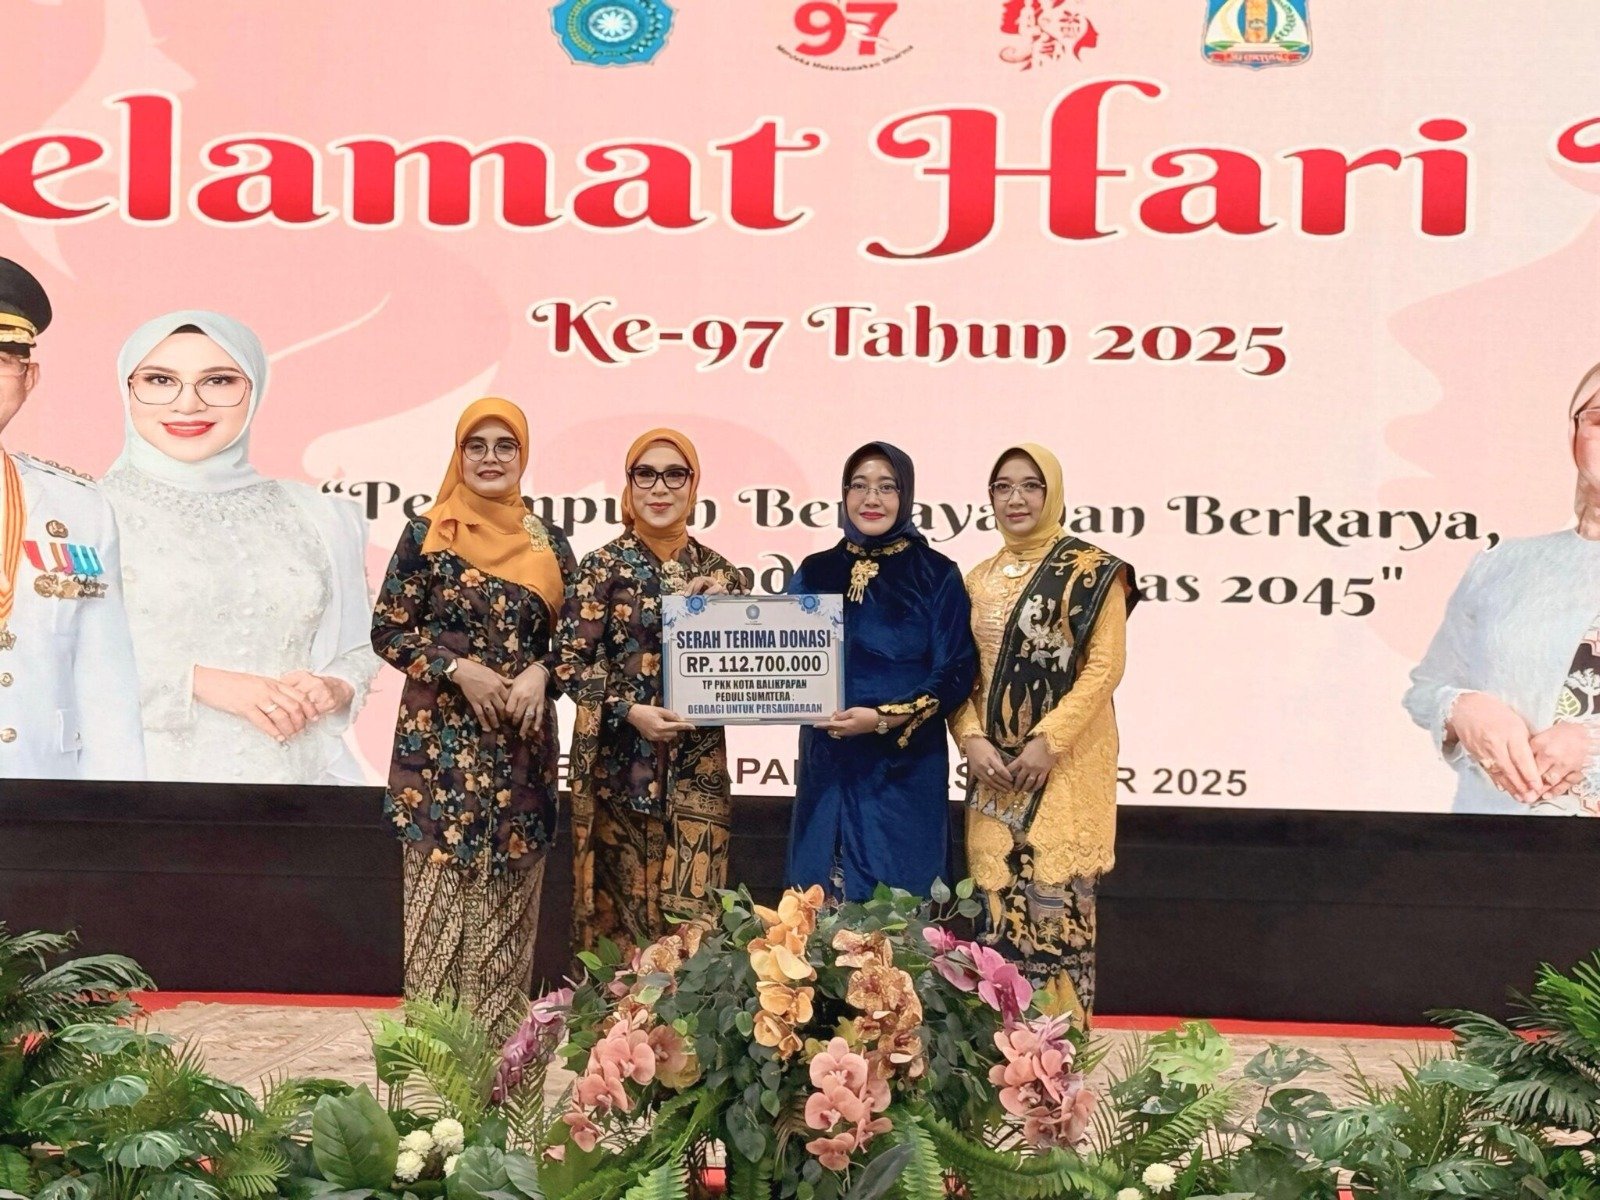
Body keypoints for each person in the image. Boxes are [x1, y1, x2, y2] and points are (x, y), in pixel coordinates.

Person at [372, 398, 577, 1038]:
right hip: (439, 763)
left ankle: (496, 1080)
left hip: (520, 762)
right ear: (458, 455)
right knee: (435, 931)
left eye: (504, 446)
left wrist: (542, 673)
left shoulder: (548, 543)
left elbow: (579, 644)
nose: (491, 458)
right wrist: (459, 669)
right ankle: (432, 1078)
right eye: (476, 446)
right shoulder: (428, 534)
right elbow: (388, 631)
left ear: (523, 455)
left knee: (505, 931)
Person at [101, 311, 378, 784]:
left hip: (297, 786)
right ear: (128, 389)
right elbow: (51, 660)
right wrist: (201, 683)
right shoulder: (84, 512)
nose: (188, 404)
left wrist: (336, 686)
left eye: (220, 380)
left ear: (255, 389)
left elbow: (360, 645)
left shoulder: (317, 514)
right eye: (160, 380)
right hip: (139, 789)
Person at [949, 444, 1137, 1022]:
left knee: (1058, 915)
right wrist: (971, 738)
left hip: (1064, 768)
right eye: (1003, 486)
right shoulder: (976, 580)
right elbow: (960, 674)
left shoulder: (1091, 572)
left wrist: (1048, 741)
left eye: (1030, 485)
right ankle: (999, 1057)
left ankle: (1058, 1059)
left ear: (1052, 492)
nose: (1016, 498)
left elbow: (1104, 667)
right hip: (995, 775)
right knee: (995, 918)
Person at [555, 428, 744, 949]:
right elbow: (567, 663)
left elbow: (747, 667)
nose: (659, 488)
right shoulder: (601, 568)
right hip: (621, 774)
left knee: (694, 934)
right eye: (645, 474)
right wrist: (627, 710)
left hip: (696, 778)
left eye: (674, 475)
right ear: (629, 484)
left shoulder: (722, 574)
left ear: (694, 485)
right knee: (619, 935)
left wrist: (728, 608)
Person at [785, 442, 977, 899]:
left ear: (905, 495)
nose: (871, 499)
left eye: (887, 487)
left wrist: (884, 717)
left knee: (897, 919)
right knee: (817, 915)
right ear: (844, 494)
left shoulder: (935, 574)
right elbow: (776, 646)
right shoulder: (815, 571)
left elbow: (956, 670)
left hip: (902, 770)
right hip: (827, 769)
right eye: (859, 486)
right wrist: (714, 605)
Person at [1405, 366, 1600, 815]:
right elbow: (1428, 687)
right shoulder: (1504, 564)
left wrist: (1590, 743)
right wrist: (1464, 710)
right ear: (1573, 434)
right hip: (1496, 840)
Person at [0, 257, 145, 780]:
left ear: (29, 378)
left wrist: (115, 812)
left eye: (1, 359)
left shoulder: (79, 507)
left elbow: (106, 686)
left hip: (38, 792)